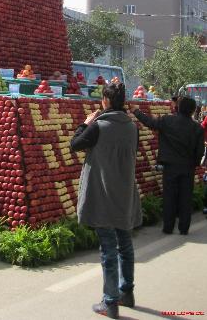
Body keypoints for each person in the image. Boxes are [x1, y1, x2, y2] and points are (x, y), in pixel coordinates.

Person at [71, 82, 142, 319]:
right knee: (125, 244)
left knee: (108, 250)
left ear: (106, 101)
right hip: (124, 192)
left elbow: (75, 145)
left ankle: (110, 302)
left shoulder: (99, 126)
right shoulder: (132, 127)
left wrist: (85, 123)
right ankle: (127, 292)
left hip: (103, 194)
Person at [130, 95, 203, 235]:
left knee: (169, 197)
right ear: (193, 111)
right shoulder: (197, 128)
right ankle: (184, 228)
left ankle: (168, 227)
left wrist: (136, 111)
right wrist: (194, 164)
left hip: (170, 166)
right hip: (187, 167)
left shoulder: (167, 120)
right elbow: (199, 152)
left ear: (178, 108)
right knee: (185, 198)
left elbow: (150, 123)